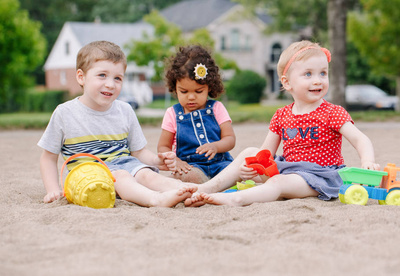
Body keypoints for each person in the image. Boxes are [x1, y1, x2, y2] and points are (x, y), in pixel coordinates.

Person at [185, 40, 380, 207]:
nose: (318, 80)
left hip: (319, 177)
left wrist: (367, 161)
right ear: (287, 83)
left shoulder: (332, 112)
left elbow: (360, 139)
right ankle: (206, 188)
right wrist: (252, 167)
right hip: (285, 168)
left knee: (278, 183)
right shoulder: (282, 115)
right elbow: (265, 154)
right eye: (308, 74)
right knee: (248, 153)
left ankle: (237, 199)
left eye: (323, 73)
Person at [38, 41, 197, 207]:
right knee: (121, 176)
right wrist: (52, 189)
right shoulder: (65, 113)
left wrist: (156, 161)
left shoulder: (125, 110)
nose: (110, 84)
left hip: (125, 163)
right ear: (81, 77)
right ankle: (156, 199)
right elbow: (48, 158)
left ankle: (191, 190)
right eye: (102, 75)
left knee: (146, 174)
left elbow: (138, 152)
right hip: (90, 175)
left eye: (118, 78)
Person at [158, 45, 236, 184]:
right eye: (184, 92)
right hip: (191, 167)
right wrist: (176, 161)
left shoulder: (217, 108)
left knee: (240, 170)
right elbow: (163, 146)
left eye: (198, 91)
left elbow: (230, 139)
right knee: (191, 178)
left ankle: (214, 185)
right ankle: (210, 186)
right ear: (175, 87)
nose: (191, 97)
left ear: (209, 87)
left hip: (221, 164)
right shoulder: (172, 114)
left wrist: (216, 146)